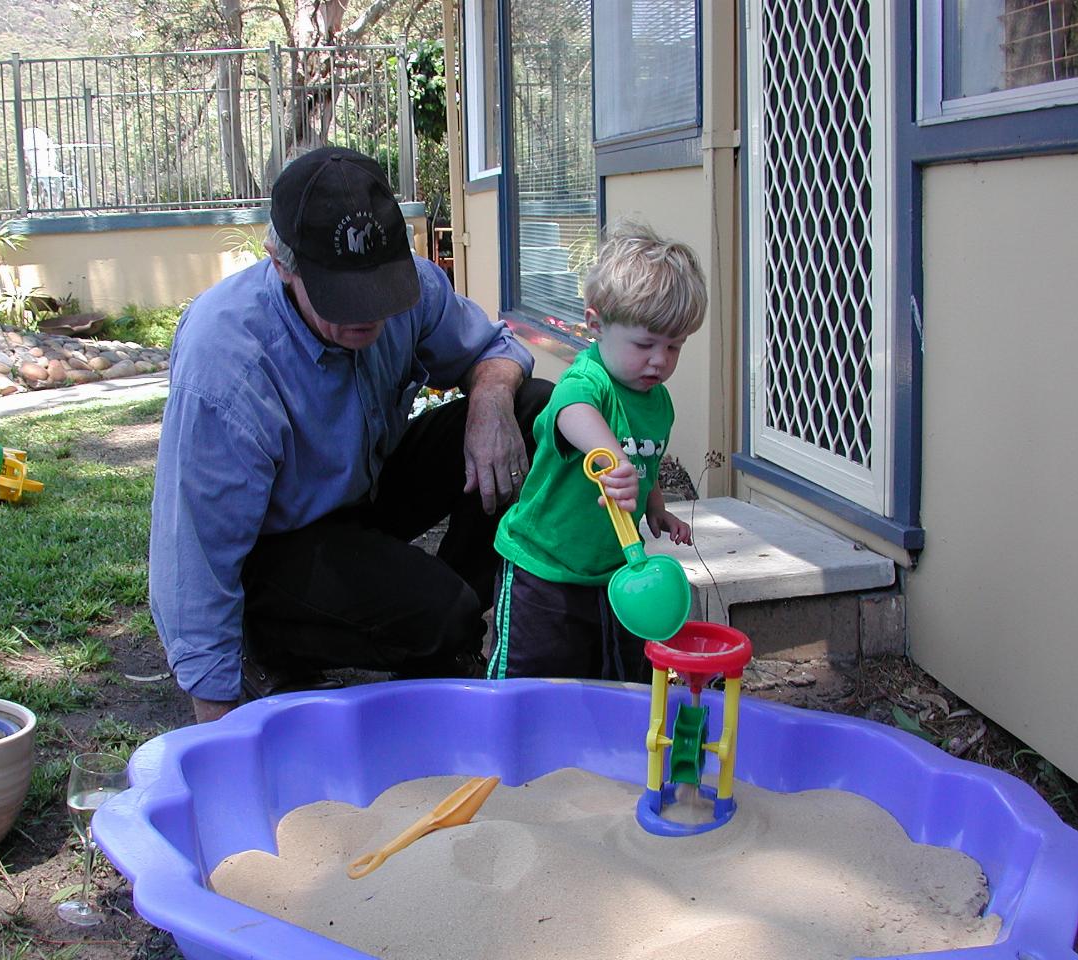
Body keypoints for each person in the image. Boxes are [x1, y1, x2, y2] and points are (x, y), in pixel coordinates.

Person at [149, 146, 552, 723]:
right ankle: (279, 643)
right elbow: (192, 557)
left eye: (380, 290)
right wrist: (219, 732)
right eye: (343, 296)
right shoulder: (226, 364)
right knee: (440, 612)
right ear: (282, 263)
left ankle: (447, 621)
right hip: (277, 547)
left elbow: (494, 347)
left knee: (531, 410)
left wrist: (489, 400)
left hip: (364, 488)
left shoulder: (415, 285)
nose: (368, 314)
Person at [488, 222, 706, 682]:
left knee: (605, 677)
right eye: (645, 343)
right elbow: (570, 411)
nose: (660, 360)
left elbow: (645, 463)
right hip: (543, 569)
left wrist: (656, 507)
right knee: (532, 680)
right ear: (596, 324)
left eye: (674, 346)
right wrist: (612, 456)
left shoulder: (658, 402)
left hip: (610, 573)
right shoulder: (589, 381)